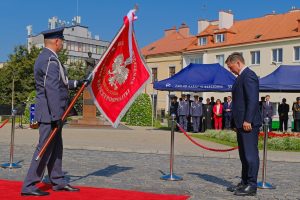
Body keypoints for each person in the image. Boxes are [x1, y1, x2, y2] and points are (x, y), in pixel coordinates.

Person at [21, 27, 83, 196]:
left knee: (56, 149)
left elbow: (61, 82)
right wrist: (57, 116)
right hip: (50, 114)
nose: (62, 43)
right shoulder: (49, 60)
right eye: (62, 40)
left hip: (53, 113)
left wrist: (78, 82)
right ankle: (29, 185)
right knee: (44, 149)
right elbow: (52, 89)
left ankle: (58, 180)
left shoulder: (51, 58)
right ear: (56, 41)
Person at [225, 52, 261, 196]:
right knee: (244, 155)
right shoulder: (240, 77)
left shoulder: (249, 75)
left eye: (231, 66)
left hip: (248, 123)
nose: (230, 70)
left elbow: (252, 100)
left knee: (250, 155)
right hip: (241, 123)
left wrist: (248, 120)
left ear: (238, 63)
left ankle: (252, 185)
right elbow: (238, 102)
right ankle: (245, 182)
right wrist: (236, 122)